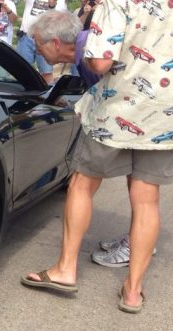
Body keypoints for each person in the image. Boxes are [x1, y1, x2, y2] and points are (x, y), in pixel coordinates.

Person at [21, 0, 173, 314]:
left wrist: (90, 61)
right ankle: (133, 292)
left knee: (82, 184)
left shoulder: (116, 3)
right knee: (146, 199)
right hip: (162, 114)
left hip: (118, 110)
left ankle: (65, 270)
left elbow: (101, 62)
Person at [29, 11, 99, 89]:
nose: (38, 52)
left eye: (39, 47)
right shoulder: (81, 54)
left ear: (56, 43)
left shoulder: (92, 53)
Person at [17, 0, 68, 84]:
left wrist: (52, 6)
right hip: (26, 36)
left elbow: (58, 20)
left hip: (46, 39)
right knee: (21, 70)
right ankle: (21, 95)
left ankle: (47, 95)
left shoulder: (60, 1)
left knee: (46, 72)